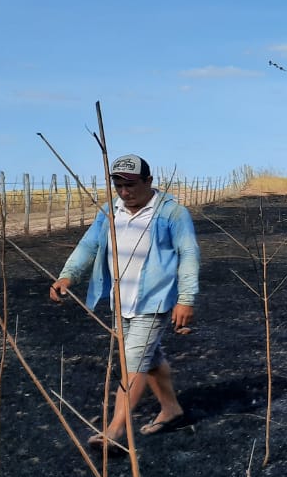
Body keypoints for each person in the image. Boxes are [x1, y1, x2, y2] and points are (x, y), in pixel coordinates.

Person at [48, 154, 200, 451]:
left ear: (148, 181)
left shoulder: (172, 214)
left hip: (154, 301)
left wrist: (186, 299)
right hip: (121, 301)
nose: (124, 191)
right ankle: (172, 409)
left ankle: (115, 431)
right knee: (149, 358)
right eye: (118, 185)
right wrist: (66, 277)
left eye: (130, 185)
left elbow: (189, 254)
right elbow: (88, 246)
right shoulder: (109, 212)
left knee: (132, 364)